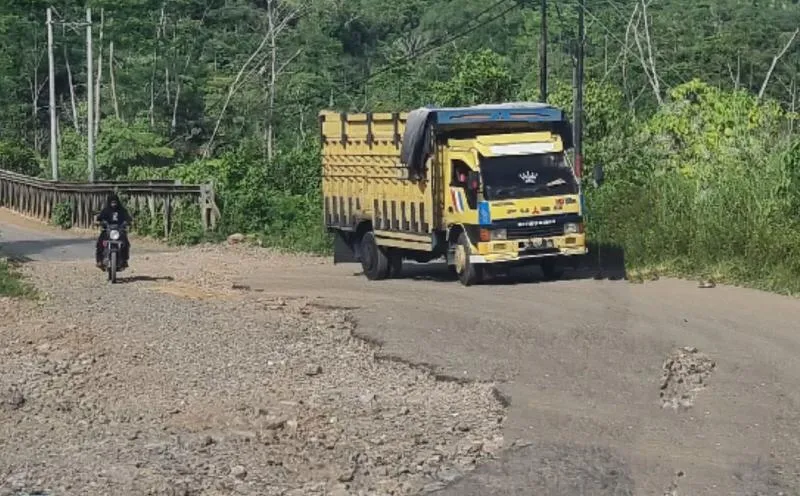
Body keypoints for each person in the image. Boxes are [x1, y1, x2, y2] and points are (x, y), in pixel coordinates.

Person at [95, 193, 132, 269]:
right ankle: (99, 260)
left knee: (125, 243)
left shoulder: (122, 210)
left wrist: (127, 222)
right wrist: (100, 222)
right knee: (100, 243)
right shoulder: (105, 210)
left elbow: (128, 218)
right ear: (109, 202)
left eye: (115, 202)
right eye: (112, 202)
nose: (113, 204)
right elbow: (99, 218)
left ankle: (124, 260)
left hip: (119, 230)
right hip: (107, 230)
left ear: (118, 202)